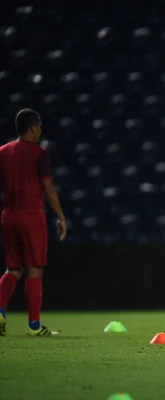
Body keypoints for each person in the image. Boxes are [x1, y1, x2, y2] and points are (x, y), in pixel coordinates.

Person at [0, 109, 67, 336]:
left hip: (8, 216)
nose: (40, 131)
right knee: (34, 270)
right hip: (31, 217)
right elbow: (48, 188)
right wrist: (60, 216)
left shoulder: (3, 152)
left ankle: (0, 311)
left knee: (12, 269)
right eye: (39, 128)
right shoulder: (40, 154)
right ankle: (34, 326)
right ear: (32, 128)